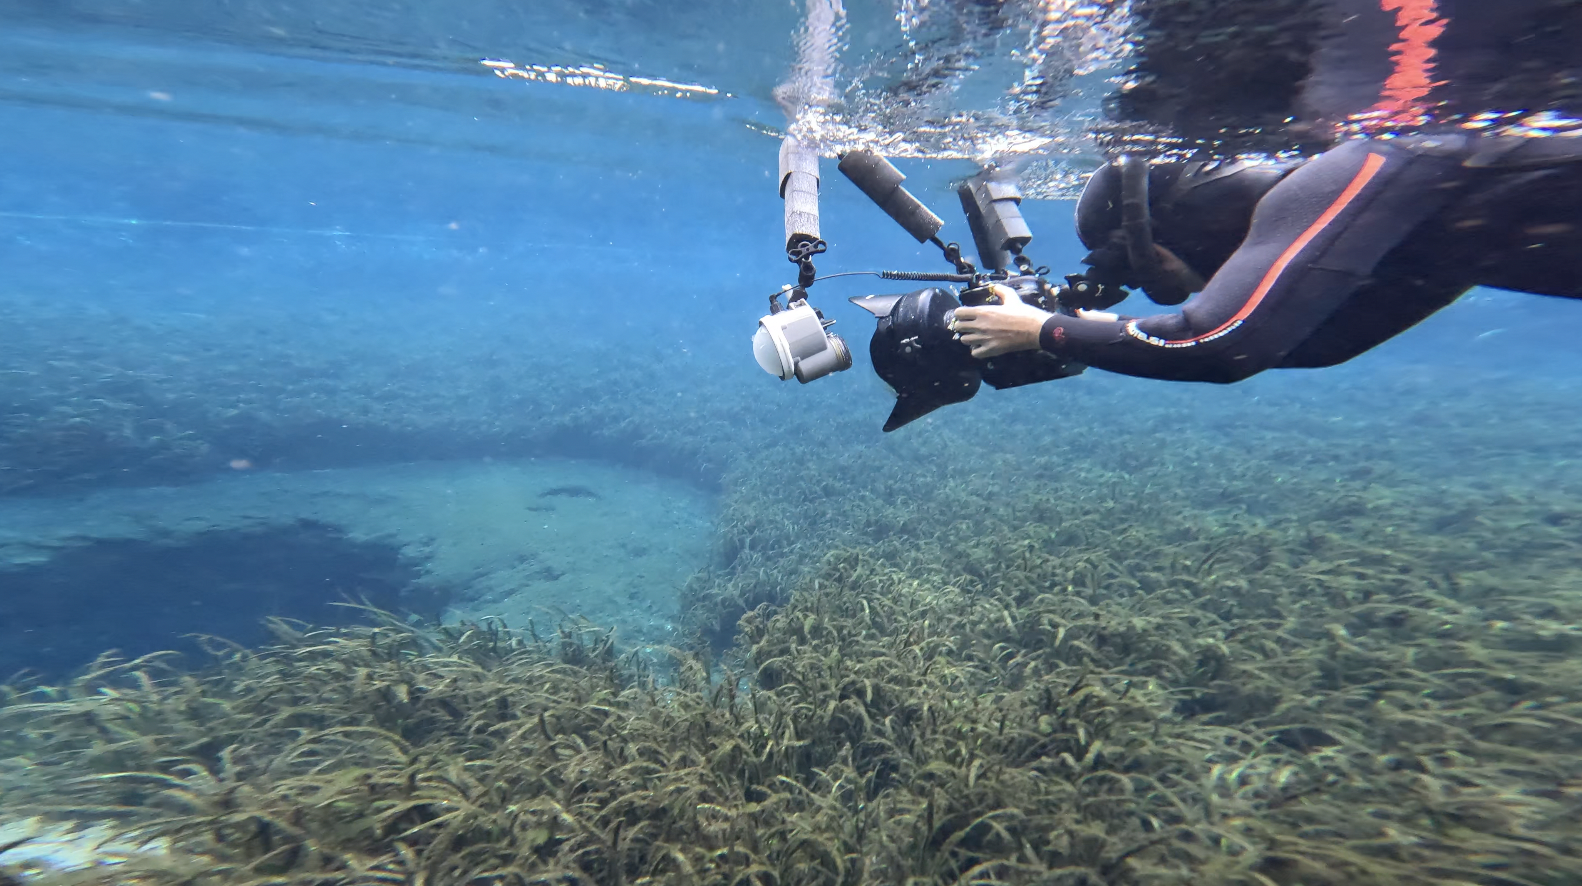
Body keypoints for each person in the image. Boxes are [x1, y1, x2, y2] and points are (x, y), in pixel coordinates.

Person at [951, 133, 1582, 383]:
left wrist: (1042, 329)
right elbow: (1311, 343)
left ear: (1161, 240)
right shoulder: (1401, 223)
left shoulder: (1369, 162)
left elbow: (1223, 345)